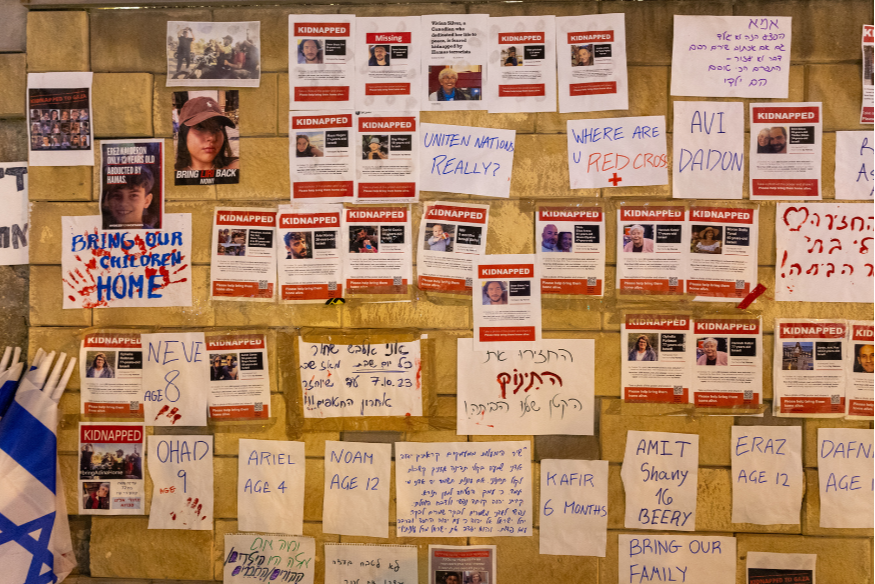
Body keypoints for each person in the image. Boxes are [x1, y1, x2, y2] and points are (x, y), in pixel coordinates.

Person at [175, 96, 239, 174]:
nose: (212, 137)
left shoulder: (236, 168)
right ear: (184, 134)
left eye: (217, 128)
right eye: (199, 128)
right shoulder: (172, 175)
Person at [101, 164, 158, 229]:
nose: (123, 203)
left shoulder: (156, 234)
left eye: (134, 195)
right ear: (107, 199)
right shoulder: (99, 232)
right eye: (116, 195)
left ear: (147, 201)